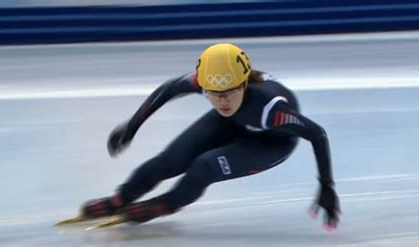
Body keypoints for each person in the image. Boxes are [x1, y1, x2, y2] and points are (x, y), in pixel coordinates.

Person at [81, 43, 340, 231]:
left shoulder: (272, 111)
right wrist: (131, 127)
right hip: (234, 121)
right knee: (169, 161)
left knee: (204, 166)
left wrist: (327, 185)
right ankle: (119, 199)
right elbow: (168, 89)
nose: (222, 100)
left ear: (243, 84)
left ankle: (165, 205)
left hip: (272, 141)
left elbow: (317, 134)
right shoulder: (208, 83)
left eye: (228, 92)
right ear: (203, 86)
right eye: (213, 93)